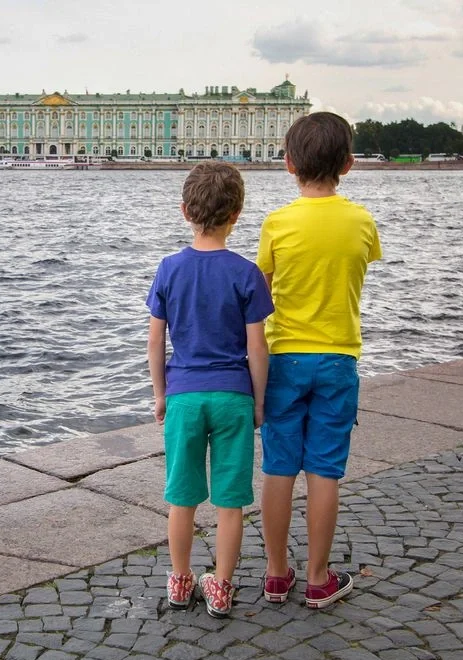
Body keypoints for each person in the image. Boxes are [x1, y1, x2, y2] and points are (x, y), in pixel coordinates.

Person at [255, 111, 382, 609]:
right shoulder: (361, 222)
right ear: (349, 164)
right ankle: (318, 578)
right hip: (337, 358)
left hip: (284, 357)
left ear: (288, 163)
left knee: (278, 467)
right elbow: (359, 267)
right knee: (325, 469)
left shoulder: (276, 223)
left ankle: (275, 574)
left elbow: (261, 296)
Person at [146, 161, 273, 618]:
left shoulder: (169, 269)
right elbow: (257, 347)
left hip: (184, 395)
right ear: (236, 213)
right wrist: (259, 400)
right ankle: (220, 586)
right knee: (230, 501)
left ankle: (180, 582)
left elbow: (155, 340)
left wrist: (160, 393)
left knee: (181, 496)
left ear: (185, 211)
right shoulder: (246, 273)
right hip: (233, 395)